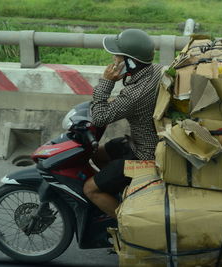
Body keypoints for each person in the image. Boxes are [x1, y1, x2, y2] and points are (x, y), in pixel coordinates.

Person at [83, 29, 163, 218]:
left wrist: (106, 82)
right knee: (97, 154)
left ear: (131, 61)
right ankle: (123, 194)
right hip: (141, 142)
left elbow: (100, 117)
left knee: (90, 189)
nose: (114, 58)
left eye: (118, 56)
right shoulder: (154, 70)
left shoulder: (135, 94)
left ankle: (127, 229)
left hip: (144, 155)